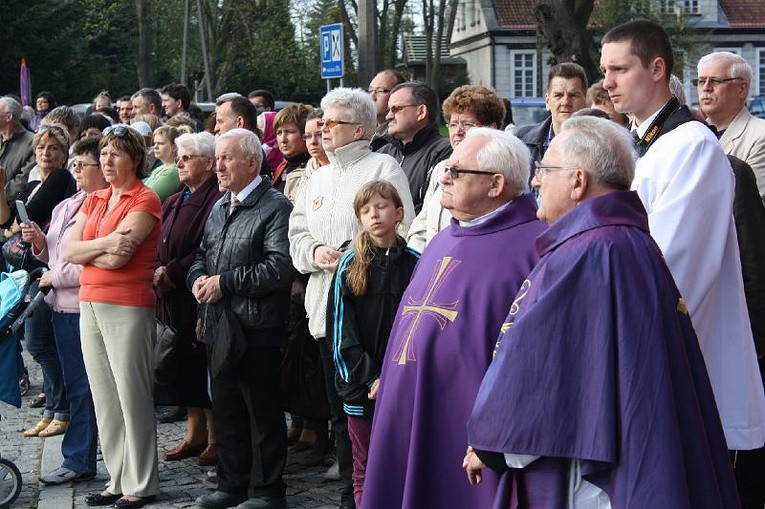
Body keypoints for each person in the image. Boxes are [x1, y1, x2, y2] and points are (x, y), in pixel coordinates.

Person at [464, 115, 741, 508]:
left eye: (545, 169)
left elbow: (543, 369)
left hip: (590, 468)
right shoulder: (627, 241)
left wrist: (492, 447)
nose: (536, 181)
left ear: (578, 181)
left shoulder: (586, 253)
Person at [600, 19, 765, 453]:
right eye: (604, 71)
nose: (608, 83)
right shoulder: (644, 145)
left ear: (657, 69)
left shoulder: (691, 145)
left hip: (678, 358)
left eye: (619, 69)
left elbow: (674, 269)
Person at [361, 128, 546, 509]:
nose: (444, 176)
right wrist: (395, 373)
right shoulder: (446, 237)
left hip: (465, 419)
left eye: (457, 171)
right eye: (447, 168)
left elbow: (531, 355)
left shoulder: (535, 247)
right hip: (408, 400)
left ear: (496, 184)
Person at [289, 87, 414, 509]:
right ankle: (351, 493)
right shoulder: (317, 175)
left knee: (380, 414)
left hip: (374, 312)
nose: (321, 129)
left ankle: (388, 491)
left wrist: (357, 252)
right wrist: (313, 252)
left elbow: (405, 230)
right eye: (321, 122)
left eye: (331, 123)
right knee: (342, 416)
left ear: (359, 128)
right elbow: (297, 232)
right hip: (325, 313)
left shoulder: (383, 166)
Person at [190, 128, 292, 509]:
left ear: (251, 162)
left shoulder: (275, 206)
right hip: (220, 322)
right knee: (227, 407)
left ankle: (268, 491)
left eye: (226, 158)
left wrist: (225, 283)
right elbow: (203, 253)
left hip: (258, 326)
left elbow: (279, 268)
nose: (218, 166)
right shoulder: (220, 205)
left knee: (261, 412)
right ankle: (231, 485)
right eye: (217, 158)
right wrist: (198, 279)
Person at [65, 124, 161, 508]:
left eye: (115, 153)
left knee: (131, 395)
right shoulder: (95, 198)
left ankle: (141, 481)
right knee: (105, 396)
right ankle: (117, 477)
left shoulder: (145, 198)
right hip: (90, 300)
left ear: (134, 159)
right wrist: (102, 244)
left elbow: (122, 258)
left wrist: (92, 251)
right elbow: (70, 252)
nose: (107, 160)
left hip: (128, 303)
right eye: (103, 153)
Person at [327, 180, 419, 509]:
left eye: (381, 206)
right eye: (366, 210)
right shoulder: (349, 267)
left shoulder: (416, 264)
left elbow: (420, 329)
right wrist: (371, 378)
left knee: (405, 463)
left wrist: (396, 378)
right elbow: (342, 337)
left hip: (403, 385)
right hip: (362, 387)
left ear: (398, 212)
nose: (374, 215)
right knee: (364, 466)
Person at [21, 137, 106, 484]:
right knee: (75, 385)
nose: (75, 171)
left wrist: (56, 276)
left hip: (83, 305)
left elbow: (95, 263)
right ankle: (80, 456)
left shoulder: (104, 205)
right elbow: (55, 252)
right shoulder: (68, 203)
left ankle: (80, 458)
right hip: (60, 304)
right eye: (75, 164)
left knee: (86, 387)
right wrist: (39, 241)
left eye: (82, 165)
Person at [3, 124, 76, 439]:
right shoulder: (33, 181)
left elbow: (25, 218)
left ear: (63, 154)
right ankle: (53, 409)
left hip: (46, 268)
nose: (46, 153)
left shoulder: (60, 179)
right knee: (40, 342)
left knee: (37, 341)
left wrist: (15, 227)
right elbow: (7, 221)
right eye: (42, 148)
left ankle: (63, 408)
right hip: (27, 269)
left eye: (53, 149)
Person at [154, 132, 222, 467]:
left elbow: (204, 247)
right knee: (184, 368)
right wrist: (157, 269)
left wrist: (173, 271)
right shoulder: (175, 199)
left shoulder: (214, 198)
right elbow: (159, 239)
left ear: (209, 163)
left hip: (195, 292)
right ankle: (193, 433)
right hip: (171, 297)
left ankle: (214, 436)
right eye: (178, 156)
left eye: (187, 157)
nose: (179, 162)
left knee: (201, 365)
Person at [406, 84, 506, 251]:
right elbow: (422, 226)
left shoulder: (497, 175)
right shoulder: (441, 168)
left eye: (467, 124)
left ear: (491, 129)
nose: (458, 132)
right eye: (453, 124)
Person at [697, 51, 765, 205]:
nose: (706, 88)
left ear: (742, 89)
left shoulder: (760, 135)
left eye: (716, 81)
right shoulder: (691, 134)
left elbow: (746, 203)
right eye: (701, 81)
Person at [374, 81, 452, 212]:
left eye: (395, 109)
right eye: (388, 110)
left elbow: (431, 211)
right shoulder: (382, 153)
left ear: (421, 112)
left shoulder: (445, 152)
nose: (388, 116)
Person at [515, 63, 588, 181]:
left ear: (586, 100)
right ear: (547, 101)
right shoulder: (522, 141)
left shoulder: (601, 144)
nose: (565, 102)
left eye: (573, 95)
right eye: (558, 95)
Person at [0, 96, 36, 198]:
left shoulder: (32, 142)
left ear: (8, 117)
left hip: (9, 206)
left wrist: (1, 195)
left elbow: (22, 180)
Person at [144, 125, 181, 202]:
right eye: (154, 143)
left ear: (174, 147)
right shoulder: (160, 168)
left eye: (160, 143)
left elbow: (147, 197)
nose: (155, 147)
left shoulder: (174, 171)